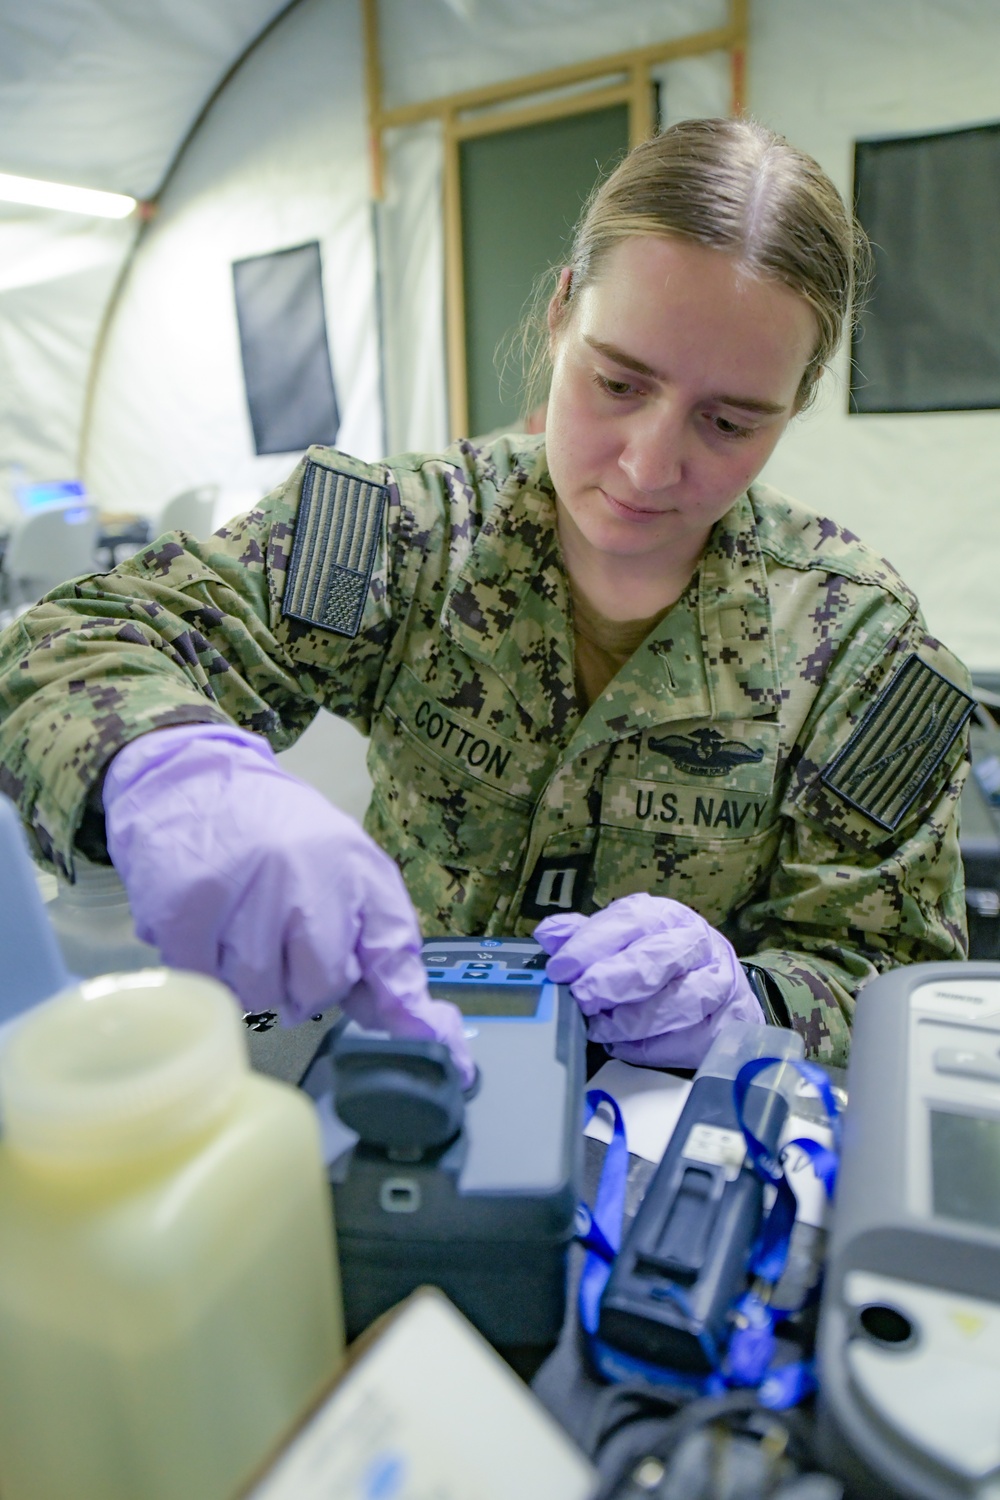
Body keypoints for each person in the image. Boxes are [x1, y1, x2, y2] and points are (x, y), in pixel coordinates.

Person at [0, 117, 973, 1080]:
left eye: (727, 421)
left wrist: (749, 1005)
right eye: (618, 383)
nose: (646, 465)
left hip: (679, 1154)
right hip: (401, 1081)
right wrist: (166, 767)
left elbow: (893, 982)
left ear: (794, 403)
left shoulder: (862, 650)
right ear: (560, 317)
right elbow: (67, 645)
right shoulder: (403, 533)